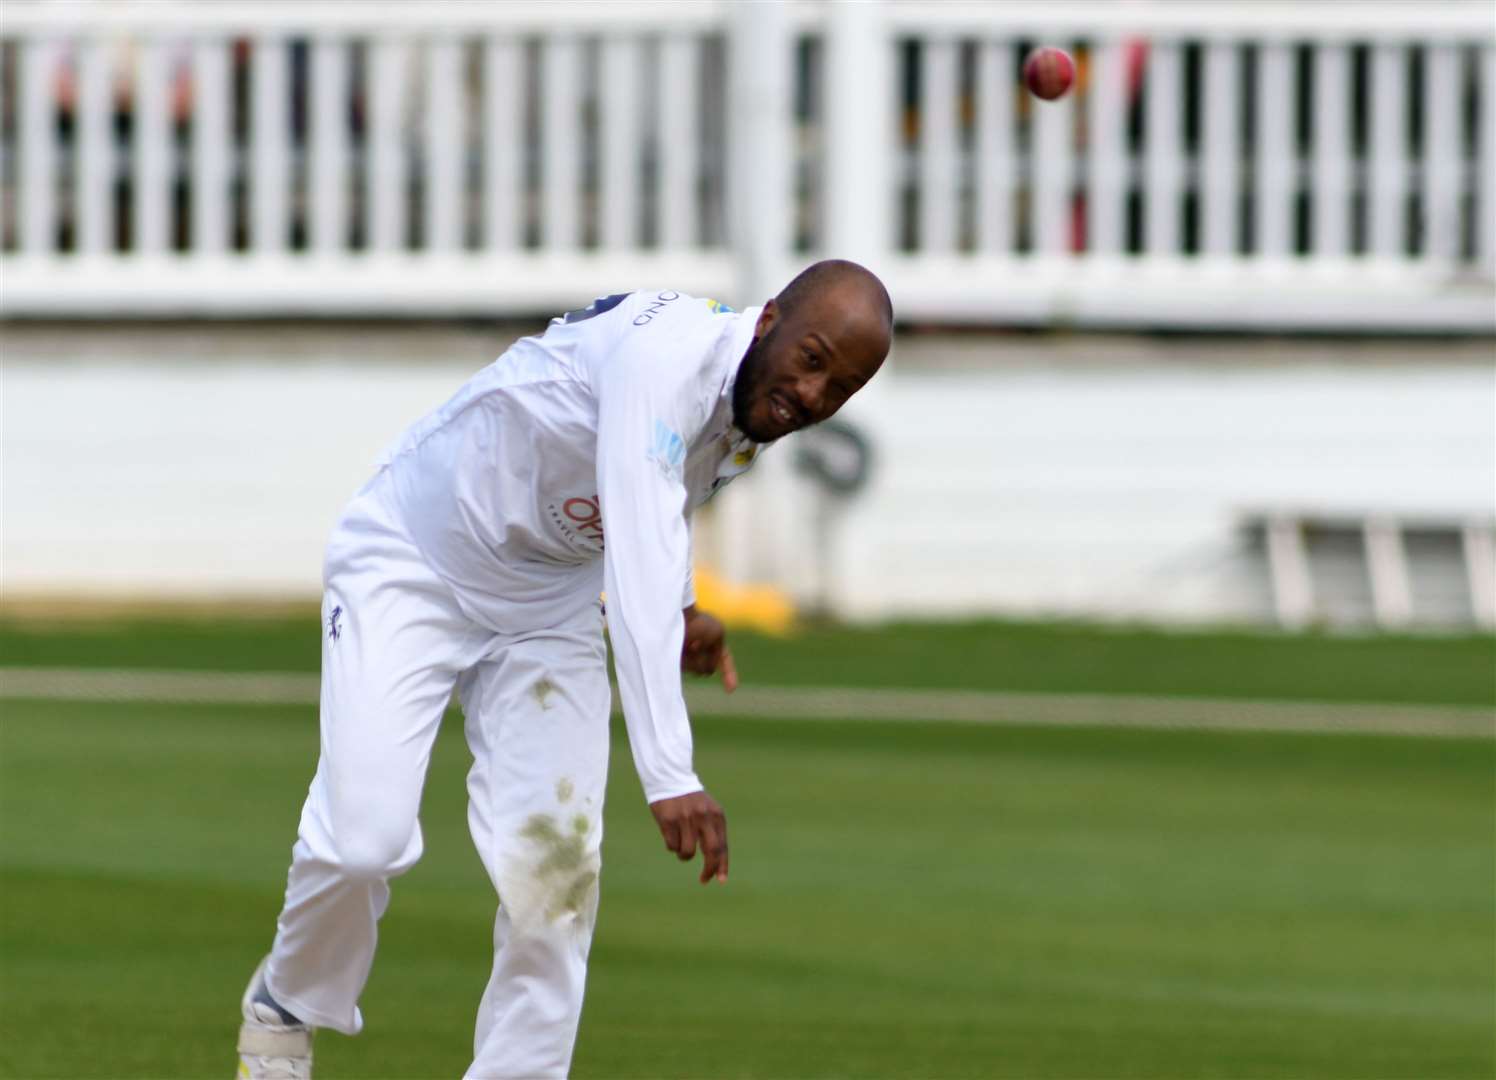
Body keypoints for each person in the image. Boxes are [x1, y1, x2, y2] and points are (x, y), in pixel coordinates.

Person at [235, 259, 893, 1080]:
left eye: (843, 386)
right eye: (813, 357)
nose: (815, 394)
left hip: (550, 607)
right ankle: (286, 1008)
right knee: (363, 842)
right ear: (767, 322)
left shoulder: (750, 399)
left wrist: (686, 607)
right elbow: (640, 556)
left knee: (555, 884)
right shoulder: (668, 362)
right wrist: (670, 774)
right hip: (416, 556)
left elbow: (661, 497)